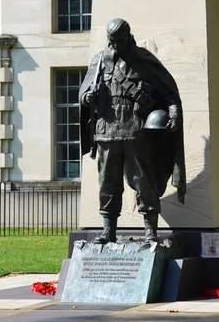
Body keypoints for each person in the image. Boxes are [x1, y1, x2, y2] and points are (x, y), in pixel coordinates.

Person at [79, 18, 186, 243]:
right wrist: (87, 97)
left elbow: (169, 93)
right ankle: (108, 232)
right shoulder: (99, 61)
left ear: (129, 37)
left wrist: (174, 115)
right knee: (107, 184)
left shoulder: (144, 60)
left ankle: (150, 232)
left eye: (120, 40)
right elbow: (84, 93)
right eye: (112, 40)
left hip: (136, 132)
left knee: (144, 183)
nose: (116, 45)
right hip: (107, 132)